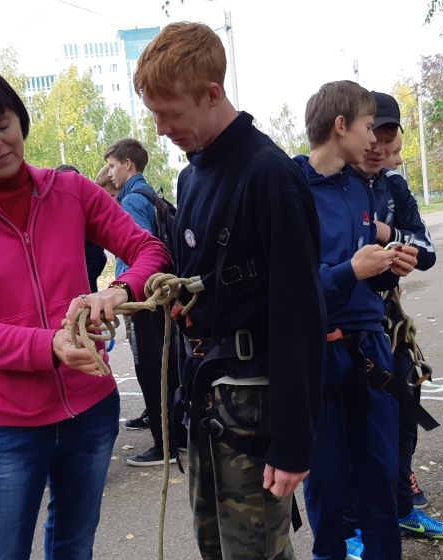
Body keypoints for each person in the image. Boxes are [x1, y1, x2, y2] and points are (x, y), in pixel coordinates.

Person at [0, 64, 170, 559]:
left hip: (91, 410)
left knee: (74, 548)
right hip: (7, 421)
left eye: (4, 124)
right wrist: (47, 346)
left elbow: (150, 251)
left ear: (20, 118)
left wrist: (117, 291)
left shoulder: (69, 190)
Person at [134, 22, 326, 559]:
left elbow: (300, 317)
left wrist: (292, 443)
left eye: (171, 113)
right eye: (154, 114)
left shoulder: (270, 176)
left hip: (256, 406)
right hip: (206, 397)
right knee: (217, 550)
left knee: (255, 553)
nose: (162, 127)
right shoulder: (191, 177)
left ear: (212, 93)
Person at [292, 80, 416, 560]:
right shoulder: (290, 185)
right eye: (368, 127)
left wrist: (390, 268)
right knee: (327, 482)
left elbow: (369, 276)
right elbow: (287, 287)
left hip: (369, 350)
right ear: (340, 126)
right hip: (318, 354)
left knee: (380, 475)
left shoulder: (361, 188)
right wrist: (350, 271)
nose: (376, 142)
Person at [345, 92, 443, 547]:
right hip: (347, 328)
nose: (383, 153)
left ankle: (403, 508)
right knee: (356, 427)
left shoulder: (394, 187)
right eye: (376, 141)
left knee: (403, 417)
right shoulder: (336, 185)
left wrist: (394, 238)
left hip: (390, 324)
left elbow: (427, 250)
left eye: (391, 145)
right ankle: (352, 527)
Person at [103, 138, 187, 466]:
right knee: (166, 369)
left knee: (150, 372)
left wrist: (125, 288)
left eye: (112, 166)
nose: (110, 173)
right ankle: (175, 434)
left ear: (128, 164)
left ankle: (162, 444)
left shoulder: (132, 201)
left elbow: (141, 251)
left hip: (143, 300)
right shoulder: (149, 194)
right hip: (159, 297)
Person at [59, 164, 110, 294]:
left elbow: (98, 258)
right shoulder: (51, 219)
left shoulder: (86, 216)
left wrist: (79, 278)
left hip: (85, 293)